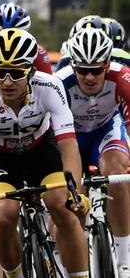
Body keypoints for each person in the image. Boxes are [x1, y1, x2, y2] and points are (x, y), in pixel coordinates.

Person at [0, 28, 89, 278]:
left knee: (63, 206)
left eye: (16, 73)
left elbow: (68, 145)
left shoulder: (50, 87)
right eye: (0, 72)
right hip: (1, 157)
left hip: (41, 149)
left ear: (31, 71)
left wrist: (75, 192)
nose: (7, 81)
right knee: (2, 217)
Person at [56, 27, 130, 276]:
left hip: (104, 132)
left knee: (117, 175)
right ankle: (66, 264)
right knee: (70, 201)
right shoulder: (59, 84)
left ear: (108, 64)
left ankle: (124, 260)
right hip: (70, 138)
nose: (89, 77)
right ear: (73, 66)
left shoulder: (123, 78)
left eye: (96, 70)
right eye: (82, 70)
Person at [0, 2, 52, 74]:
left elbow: (48, 83)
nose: (8, 39)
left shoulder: (38, 53)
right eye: (1, 32)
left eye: (14, 34)